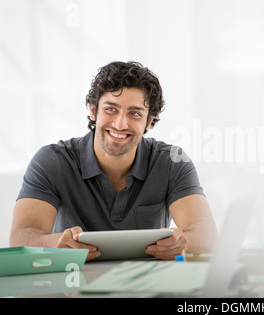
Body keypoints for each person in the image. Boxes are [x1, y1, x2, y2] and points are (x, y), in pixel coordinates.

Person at [9, 61, 217, 261]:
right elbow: (20, 239)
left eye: (135, 113)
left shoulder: (172, 162)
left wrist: (184, 242)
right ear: (93, 111)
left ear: (149, 122)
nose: (120, 124)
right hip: (73, 285)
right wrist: (54, 244)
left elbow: (207, 235)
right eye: (111, 109)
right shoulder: (52, 161)